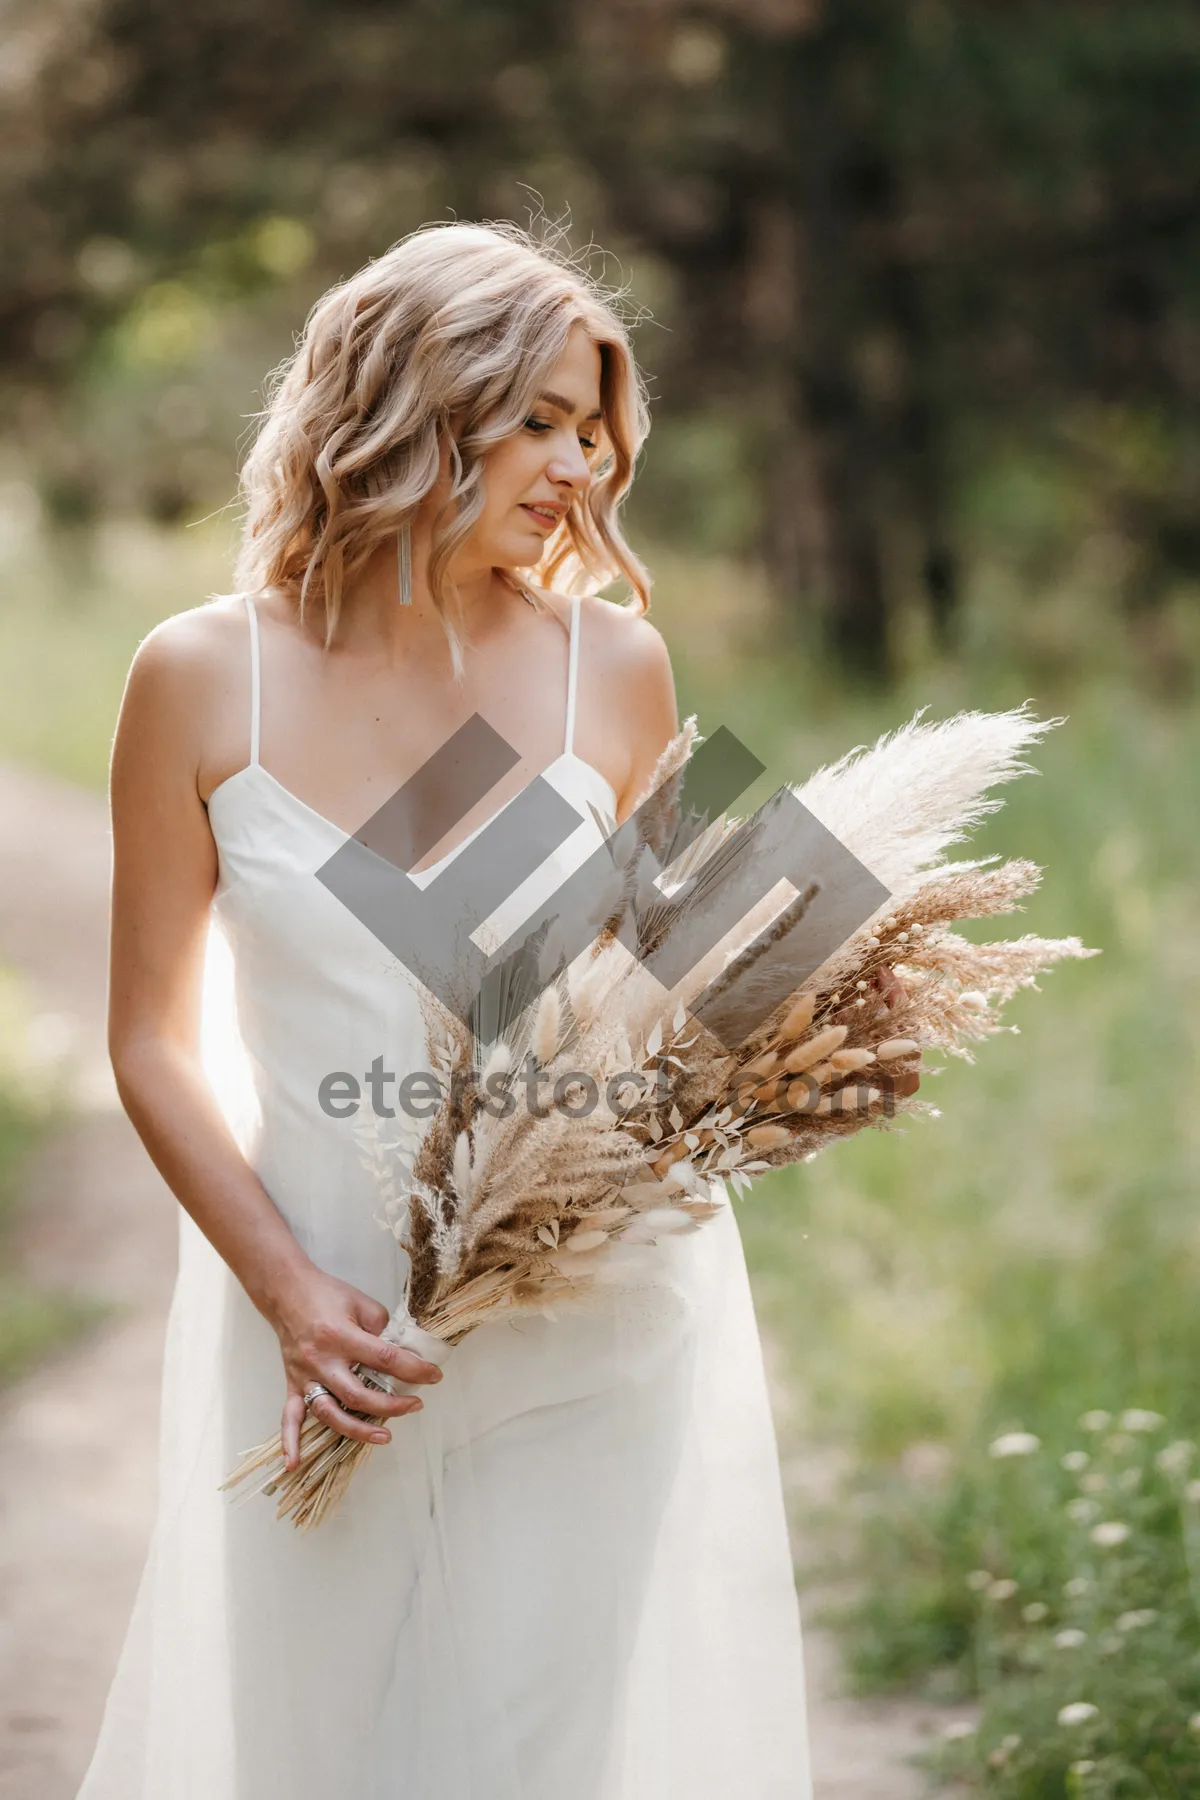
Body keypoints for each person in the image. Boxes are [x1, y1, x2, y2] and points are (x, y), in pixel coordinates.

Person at [80, 219, 815, 1798]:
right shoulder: (204, 677)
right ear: (410, 405)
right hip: (326, 1318)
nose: (581, 467)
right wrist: (285, 1290)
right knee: (318, 1750)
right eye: (538, 419)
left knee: (537, 1753)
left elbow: (711, 996)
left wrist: (815, 1019)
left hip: (585, 1311)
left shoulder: (610, 670)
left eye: (593, 428)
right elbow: (148, 1036)